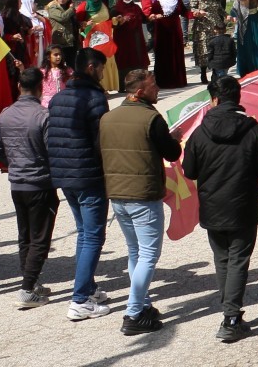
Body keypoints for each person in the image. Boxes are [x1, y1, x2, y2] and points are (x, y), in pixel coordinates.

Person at [181, 72, 258, 343]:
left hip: (212, 205)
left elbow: (190, 171)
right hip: (243, 204)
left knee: (222, 260)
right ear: (238, 98)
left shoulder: (199, 132)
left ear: (214, 99)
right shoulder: (254, 129)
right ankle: (231, 317)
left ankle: (230, 311)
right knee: (239, 259)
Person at [100, 68, 181, 336]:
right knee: (147, 254)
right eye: (153, 85)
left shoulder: (108, 118)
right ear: (139, 92)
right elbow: (171, 152)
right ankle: (133, 312)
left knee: (135, 251)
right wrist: (175, 140)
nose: (157, 88)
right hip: (143, 195)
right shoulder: (151, 119)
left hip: (118, 195)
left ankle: (143, 304)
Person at [48, 48, 114, 321]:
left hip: (65, 176)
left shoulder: (58, 97)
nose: (102, 73)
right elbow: (102, 143)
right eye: (100, 68)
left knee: (84, 233)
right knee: (93, 236)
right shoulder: (95, 99)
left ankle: (89, 286)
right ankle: (80, 299)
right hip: (89, 176)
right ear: (90, 68)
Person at [0, 64, 58, 308]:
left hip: (17, 184)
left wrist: (14, 162)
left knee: (25, 235)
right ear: (41, 88)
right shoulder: (43, 116)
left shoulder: (5, 114)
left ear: (19, 86)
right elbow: (52, 151)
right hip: (40, 183)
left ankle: (30, 281)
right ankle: (27, 287)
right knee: (40, 237)